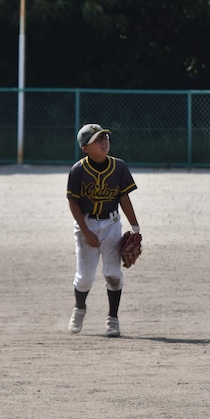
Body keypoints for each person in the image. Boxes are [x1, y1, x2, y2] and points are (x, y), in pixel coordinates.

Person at [66, 123, 140, 337]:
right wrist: (86, 232)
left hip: (111, 224)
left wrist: (135, 227)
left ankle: (112, 319)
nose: (104, 141)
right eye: (97, 139)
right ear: (85, 148)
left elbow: (124, 198)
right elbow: (73, 203)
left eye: (105, 137)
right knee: (85, 277)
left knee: (113, 274)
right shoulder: (78, 170)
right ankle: (80, 308)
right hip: (86, 224)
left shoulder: (119, 167)